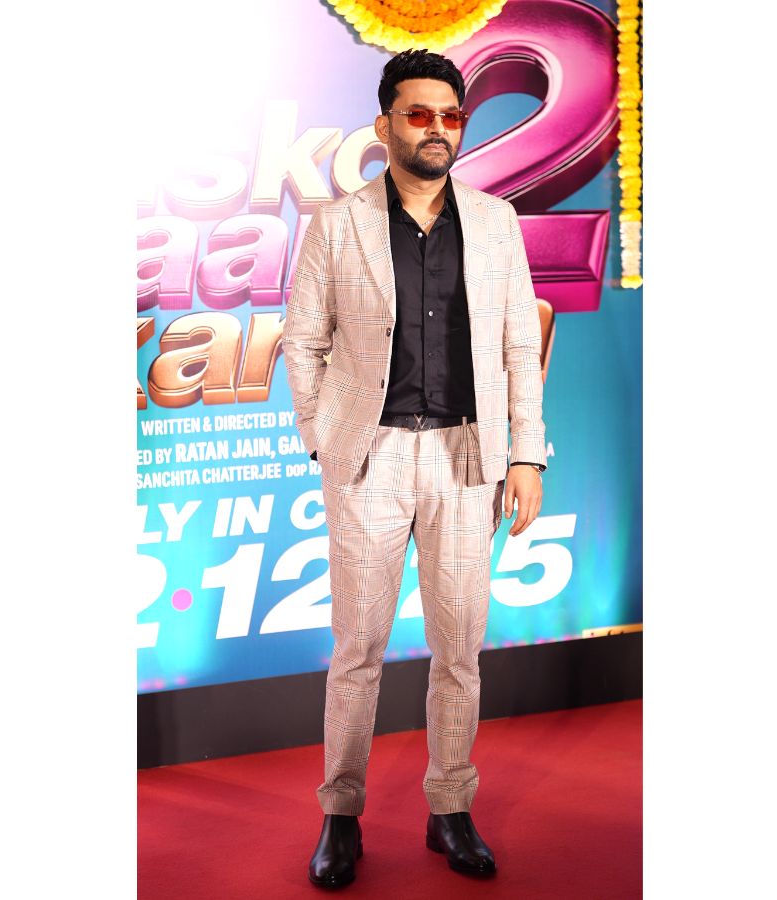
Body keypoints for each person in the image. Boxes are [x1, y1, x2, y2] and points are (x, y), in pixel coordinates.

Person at [282, 48, 547, 889]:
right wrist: (324, 436)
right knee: (358, 648)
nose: (437, 128)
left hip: (470, 457)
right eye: (419, 113)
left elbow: (519, 348)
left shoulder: (497, 222)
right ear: (385, 124)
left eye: (451, 115)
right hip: (371, 458)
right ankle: (340, 814)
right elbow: (302, 341)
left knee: (459, 648)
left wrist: (527, 454)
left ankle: (450, 808)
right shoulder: (339, 225)